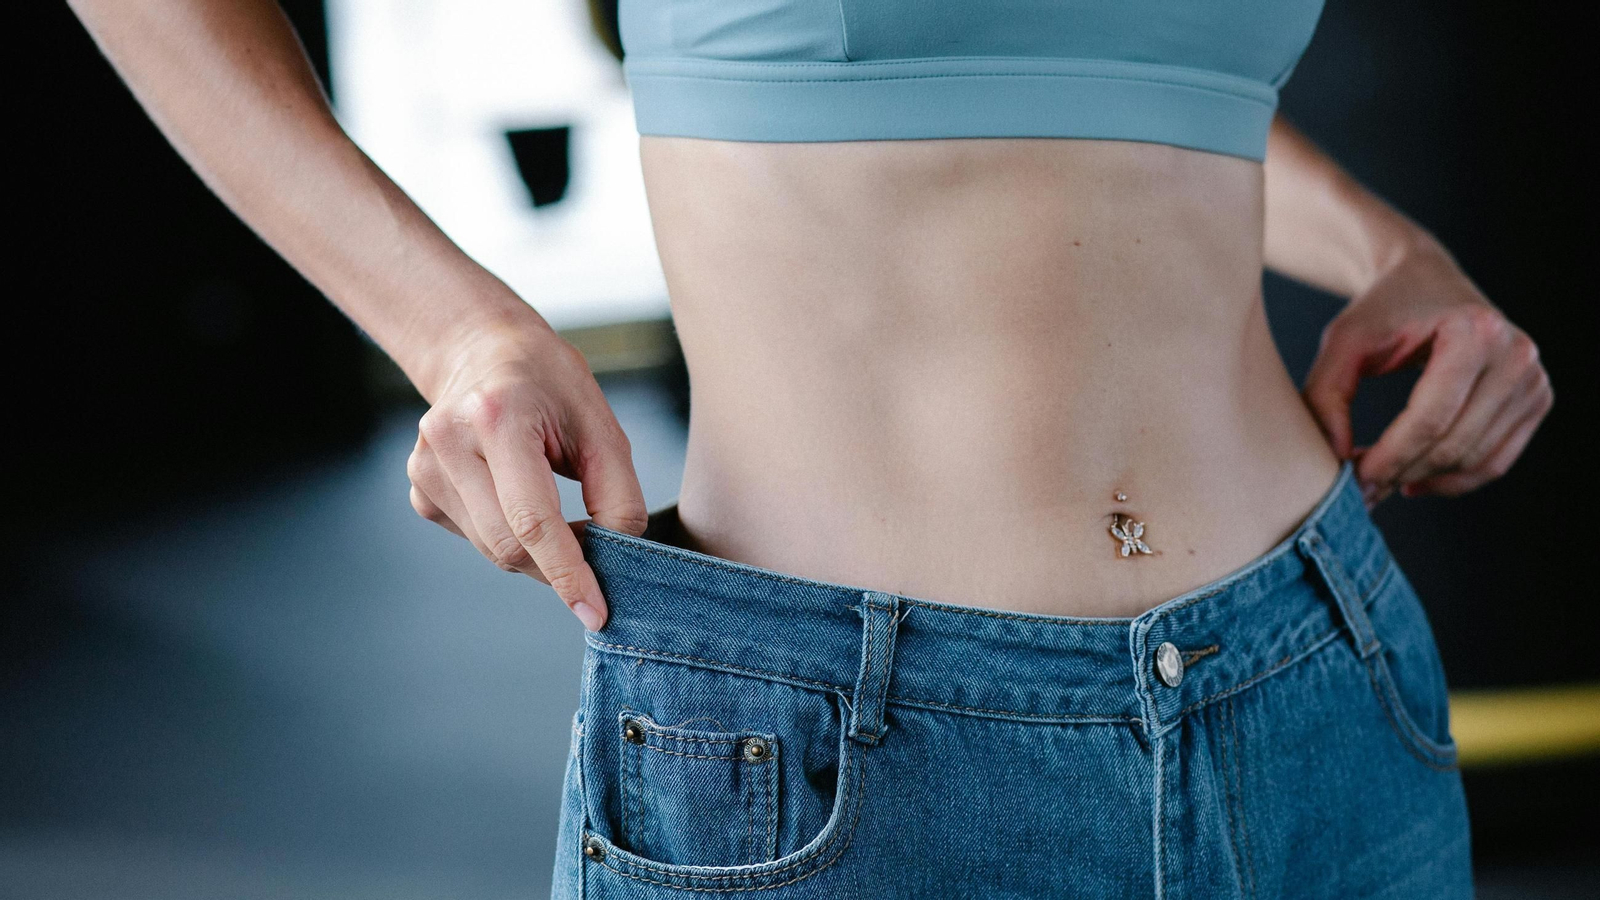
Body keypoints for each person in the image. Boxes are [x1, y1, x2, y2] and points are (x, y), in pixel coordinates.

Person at [68, 1, 1551, 897]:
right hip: (840, 760)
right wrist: (451, 329)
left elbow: (1141, 78)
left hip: (1312, 694)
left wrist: (1391, 248)